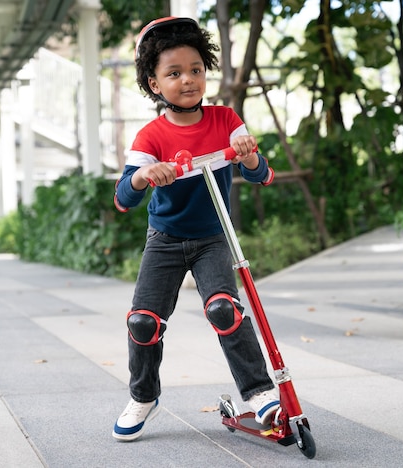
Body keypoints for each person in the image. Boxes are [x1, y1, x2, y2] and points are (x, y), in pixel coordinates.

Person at [112, 17, 279, 442]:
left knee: (224, 308)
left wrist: (248, 157)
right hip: (164, 241)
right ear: (154, 84)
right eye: (174, 73)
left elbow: (263, 176)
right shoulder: (151, 136)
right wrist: (143, 175)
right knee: (143, 323)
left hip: (212, 237)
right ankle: (143, 396)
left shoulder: (225, 120)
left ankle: (259, 394)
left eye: (195, 69)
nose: (188, 80)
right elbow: (123, 199)